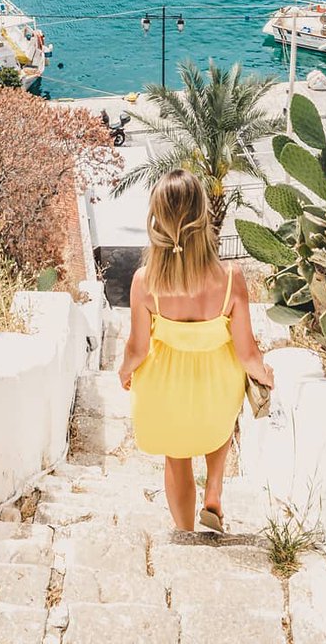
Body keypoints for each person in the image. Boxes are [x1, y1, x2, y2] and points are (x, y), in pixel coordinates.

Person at [119, 170, 274, 533]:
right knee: (219, 428)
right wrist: (266, 375)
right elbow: (248, 352)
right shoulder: (230, 278)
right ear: (203, 217)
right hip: (217, 384)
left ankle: (186, 534)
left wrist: (125, 371)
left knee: (177, 457)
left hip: (164, 386)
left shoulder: (146, 282)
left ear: (157, 219)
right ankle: (214, 491)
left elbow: (137, 348)